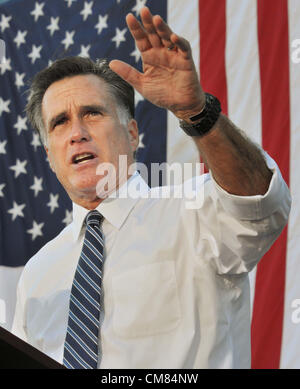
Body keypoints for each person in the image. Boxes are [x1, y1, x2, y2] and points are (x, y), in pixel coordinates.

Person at [12, 7, 290, 369]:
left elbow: (259, 201)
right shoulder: (38, 272)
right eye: (60, 123)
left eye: (93, 113)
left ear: (132, 134)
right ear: (49, 155)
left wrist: (197, 112)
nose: (77, 132)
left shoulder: (193, 211)